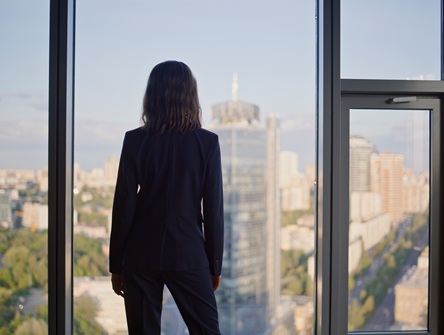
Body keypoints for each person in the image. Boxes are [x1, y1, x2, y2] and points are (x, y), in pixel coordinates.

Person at [109, 60, 224, 334]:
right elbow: (213, 211)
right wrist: (214, 264)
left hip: (140, 255)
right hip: (188, 254)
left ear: (152, 96)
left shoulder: (135, 140)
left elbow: (123, 206)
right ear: (191, 95)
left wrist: (117, 264)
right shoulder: (207, 143)